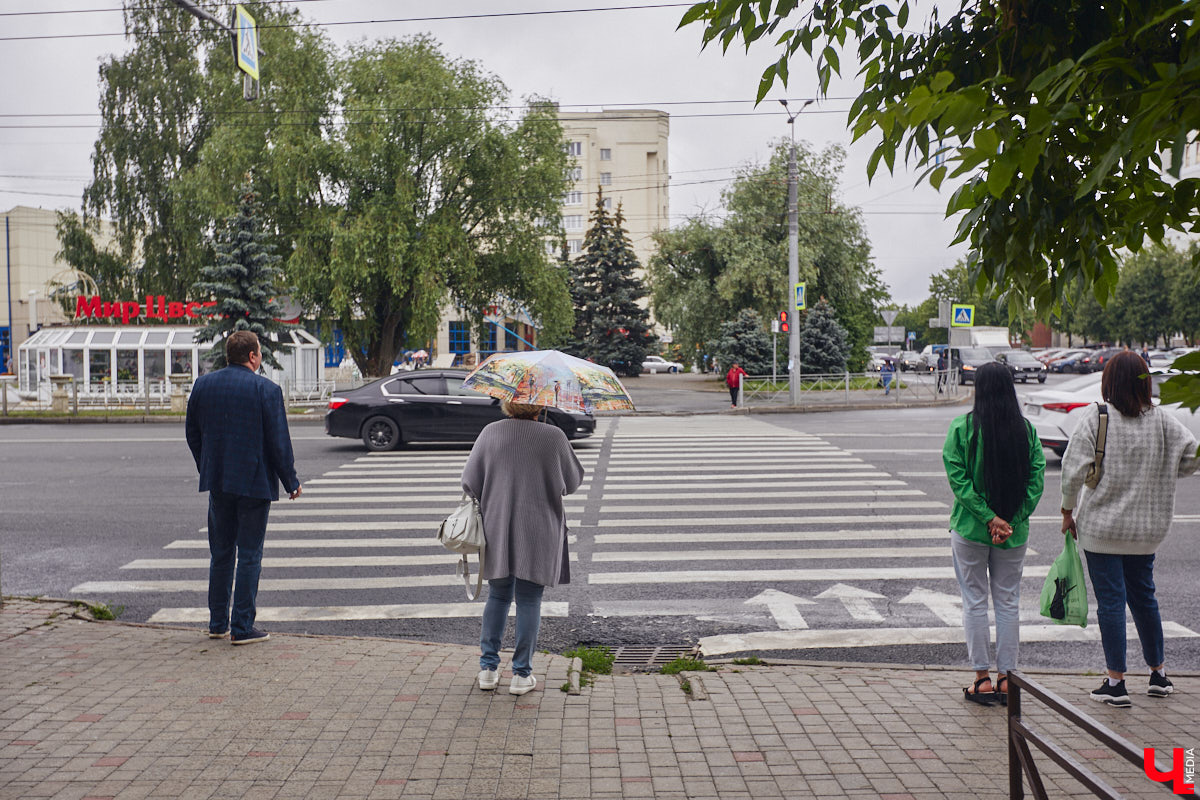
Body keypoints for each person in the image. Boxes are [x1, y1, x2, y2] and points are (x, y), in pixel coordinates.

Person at [1060, 351, 1198, 707]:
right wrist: (1163, 468)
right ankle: (1158, 675)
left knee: (1110, 603)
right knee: (1144, 599)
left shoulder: (1098, 416)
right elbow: (1191, 457)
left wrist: (1066, 510)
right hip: (1146, 531)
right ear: (1145, 382)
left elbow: (1073, 468)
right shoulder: (1163, 421)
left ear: (1108, 381)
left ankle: (1116, 683)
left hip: (1102, 530)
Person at [185, 330, 301, 646]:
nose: (260, 357)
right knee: (249, 554)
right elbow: (279, 443)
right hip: (254, 483)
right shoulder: (267, 390)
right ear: (252, 356)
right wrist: (291, 481)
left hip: (218, 482)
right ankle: (242, 627)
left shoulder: (203, 385)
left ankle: (217, 623)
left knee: (220, 553)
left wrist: (207, 464)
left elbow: (192, 433)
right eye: (259, 353)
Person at [462, 400, 584, 695]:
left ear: (507, 404)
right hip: (539, 528)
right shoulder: (553, 436)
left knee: (499, 595)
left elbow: (469, 482)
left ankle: (488, 670)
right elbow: (573, 481)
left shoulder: (491, 432)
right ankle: (521, 674)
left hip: (497, 525)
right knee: (529, 600)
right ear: (539, 405)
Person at [943, 362, 1045, 705]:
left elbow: (959, 482)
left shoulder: (962, 428)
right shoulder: (1027, 431)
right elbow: (1036, 482)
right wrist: (1009, 521)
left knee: (974, 602)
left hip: (971, 530)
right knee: (1008, 602)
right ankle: (1006, 679)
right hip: (1013, 535)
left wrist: (989, 518)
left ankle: (981, 680)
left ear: (979, 389)